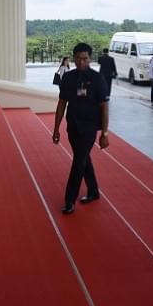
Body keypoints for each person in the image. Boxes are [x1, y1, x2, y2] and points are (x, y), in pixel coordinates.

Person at [52, 43, 110, 215]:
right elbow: (62, 103)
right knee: (83, 158)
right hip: (73, 126)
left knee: (78, 162)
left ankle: (69, 200)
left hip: (90, 127)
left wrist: (105, 133)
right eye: (78, 58)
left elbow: (104, 107)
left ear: (90, 59)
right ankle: (93, 191)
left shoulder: (98, 79)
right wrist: (56, 128)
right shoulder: (69, 78)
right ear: (74, 58)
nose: (81, 62)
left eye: (85, 58)